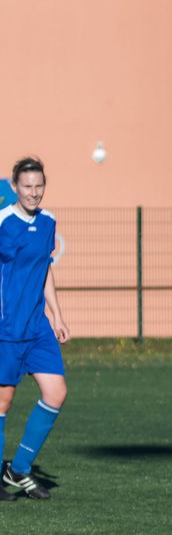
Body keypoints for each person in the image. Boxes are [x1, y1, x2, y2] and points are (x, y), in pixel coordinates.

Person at [0, 157, 69, 501]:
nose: (33, 192)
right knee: (3, 402)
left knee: (56, 393)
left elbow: (45, 270)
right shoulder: (2, 221)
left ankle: (19, 469)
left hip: (37, 327)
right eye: (26, 186)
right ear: (14, 187)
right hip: (6, 327)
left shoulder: (48, 222)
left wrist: (57, 315)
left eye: (38, 185)